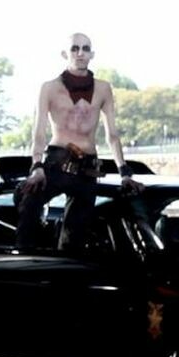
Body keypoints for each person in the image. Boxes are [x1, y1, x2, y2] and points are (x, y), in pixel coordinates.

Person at [16, 32, 125, 251]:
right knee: (27, 201)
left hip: (88, 168)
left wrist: (125, 171)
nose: (80, 53)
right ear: (65, 54)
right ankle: (24, 261)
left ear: (92, 54)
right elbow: (39, 132)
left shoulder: (103, 88)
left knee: (74, 238)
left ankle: (64, 268)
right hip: (57, 161)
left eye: (85, 49)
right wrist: (36, 166)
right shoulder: (49, 88)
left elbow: (112, 134)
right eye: (75, 48)